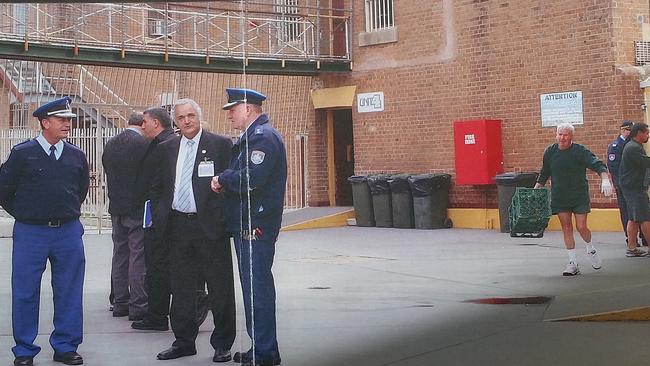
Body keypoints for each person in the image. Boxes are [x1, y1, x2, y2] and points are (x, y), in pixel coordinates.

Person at [0, 96, 89, 366]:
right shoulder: (22, 153)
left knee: (69, 290)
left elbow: (80, 190)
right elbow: (4, 190)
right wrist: (27, 214)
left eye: (69, 120)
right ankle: (25, 350)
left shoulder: (76, 155)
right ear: (44, 122)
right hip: (31, 232)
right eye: (61, 120)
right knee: (25, 291)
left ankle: (65, 346)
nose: (67, 124)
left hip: (68, 232)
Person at [154, 98, 235, 362]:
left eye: (190, 116)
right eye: (180, 118)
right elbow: (158, 186)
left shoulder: (220, 145)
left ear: (199, 117)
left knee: (219, 286)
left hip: (210, 227)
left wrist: (221, 219)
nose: (186, 121)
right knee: (181, 287)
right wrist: (160, 214)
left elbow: (231, 185)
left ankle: (222, 344)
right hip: (178, 225)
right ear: (175, 121)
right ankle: (183, 341)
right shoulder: (167, 148)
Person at [212, 88, 286, 366]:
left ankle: (264, 352)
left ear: (249, 108)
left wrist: (222, 179)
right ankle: (263, 348)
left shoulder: (262, 138)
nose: (230, 114)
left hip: (255, 224)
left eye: (233, 108)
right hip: (248, 222)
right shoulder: (254, 137)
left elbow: (252, 179)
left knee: (258, 291)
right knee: (254, 290)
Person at [534, 123, 613, 276]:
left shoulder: (580, 151)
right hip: (560, 195)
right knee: (566, 227)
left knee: (581, 227)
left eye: (565, 135)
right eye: (560, 134)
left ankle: (590, 249)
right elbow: (544, 172)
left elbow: (598, 164)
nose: (562, 138)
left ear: (571, 136)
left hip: (578, 195)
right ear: (556, 135)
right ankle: (572, 262)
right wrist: (536, 189)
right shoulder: (550, 151)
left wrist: (605, 179)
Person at [130, 107, 176, 331]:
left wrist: (159, 215)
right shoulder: (160, 143)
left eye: (145, 122)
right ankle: (156, 313)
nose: (142, 125)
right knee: (156, 265)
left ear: (156, 123)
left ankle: (158, 315)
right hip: (156, 214)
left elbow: (164, 184)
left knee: (158, 266)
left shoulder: (166, 145)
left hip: (161, 217)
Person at [102, 112, 149, 321]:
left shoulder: (111, 144)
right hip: (137, 208)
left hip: (116, 206)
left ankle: (120, 301)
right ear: (142, 125)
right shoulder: (144, 144)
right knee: (137, 254)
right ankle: (138, 304)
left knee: (119, 254)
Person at [607, 120, 647, 249]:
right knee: (638, 215)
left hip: (629, 185)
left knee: (633, 216)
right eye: (628, 130)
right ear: (623, 130)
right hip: (628, 185)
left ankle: (633, 245)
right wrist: (618, 184)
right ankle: (635, 241)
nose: (629, 132)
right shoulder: (619, 145)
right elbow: (614, 167)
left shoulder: (632, 144)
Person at [619, 123, 650, 255]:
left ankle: (631, 248)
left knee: (633, 218)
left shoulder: (634, 146)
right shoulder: (633, 148)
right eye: (646, 133)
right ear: (639, 133)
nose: (648, 135)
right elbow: (646, 162)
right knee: (645, 218)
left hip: (630, 187)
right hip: (634, 188)